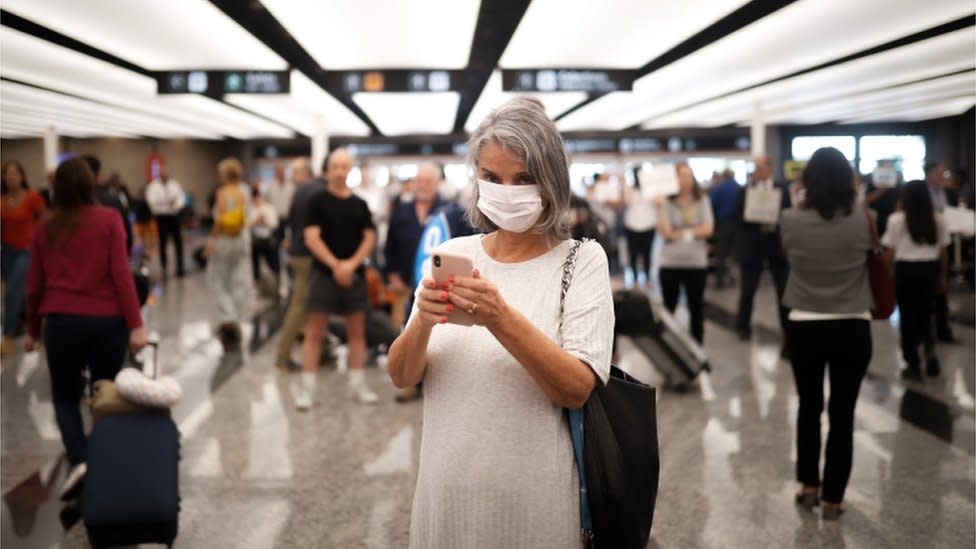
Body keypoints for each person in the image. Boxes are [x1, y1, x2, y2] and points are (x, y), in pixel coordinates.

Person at [387, 97, 614, 547]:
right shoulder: (457, 254)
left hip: (533, 507)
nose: (506, 190)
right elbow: (401, 375)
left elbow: (575, 388)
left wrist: (499, 318)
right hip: (444, 499)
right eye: (492, 177)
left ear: (551, 183)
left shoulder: (581, 261)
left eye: (524, 178)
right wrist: (423, 324)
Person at [24, 157, 147, 500]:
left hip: (61, 323)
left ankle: (80, 458)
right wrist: (136, 324)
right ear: (90, 185)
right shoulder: (109, 220)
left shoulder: (45, 226)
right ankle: (103, 459)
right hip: (107, 323)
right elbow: (122, 275)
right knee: (104, 393)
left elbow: (34, 285)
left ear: (55, 188)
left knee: (64, 396)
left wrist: (32, 330)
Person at [780, 147, 874, 521]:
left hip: (805, 322)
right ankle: (834, 498)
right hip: (853, 323)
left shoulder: (789, 219)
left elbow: (791, 259)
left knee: (809, 406)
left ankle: (808, 485)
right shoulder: (865, 219)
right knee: (843, 413)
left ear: (807, 182)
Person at [296, 147, 378, 409]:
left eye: (345, 166)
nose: (340, 171)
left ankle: (357, 384)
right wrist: (336, 266)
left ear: (350, 169)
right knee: (314, 333)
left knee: (357, 332)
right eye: (335, 166)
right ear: (327, 170)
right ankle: (307, 389)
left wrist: (351, 265)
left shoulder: (360, 204)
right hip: (323, 275)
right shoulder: (316, 201)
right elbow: (312, 237)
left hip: (354, 276)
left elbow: (369, 237)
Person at [882, 181, 950, 380]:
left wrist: (886, 274)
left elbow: (890, 252)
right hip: (929, 269)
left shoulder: (896, 220)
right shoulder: (938, 219)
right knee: (926, 314)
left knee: (908, 317)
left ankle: (912, 362)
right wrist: (943, 276)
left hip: (905, 271)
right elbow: (943, 251)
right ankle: (929, 349)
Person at [735, 155, 791, 351]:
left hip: (776, 247)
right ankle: (743, 327)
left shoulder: (782, 189)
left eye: (760, 167)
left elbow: (788, 214)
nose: (757, 171)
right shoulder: (745, 191)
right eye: (755, 167)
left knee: (783, 291)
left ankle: (788, 331)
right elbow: (737, 217)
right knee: (748, 289)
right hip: (753, 247)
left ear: (770, 168)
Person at [655, 163, 714, 343]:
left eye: (689, 176)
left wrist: (679, 233)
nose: (685, 180)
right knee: (668, 309)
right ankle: (670, 349)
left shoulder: (701, 200)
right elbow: (665, 232)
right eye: (681, 176)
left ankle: (698, 350)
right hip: (670, 263)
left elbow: (708, 229)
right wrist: (660, 208)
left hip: (696, 262)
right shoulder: (665, 201)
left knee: (696, 308)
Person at [274, 157, 317, 370]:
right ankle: (283, 354)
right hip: (306, 254)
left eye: (295, 171)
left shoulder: (298, 192)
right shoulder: (312, 191)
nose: (293, 176)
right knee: (300, 304)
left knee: (307, 303)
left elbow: (290, 222)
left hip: (297, 253)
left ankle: (317, 345)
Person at [204, 158, 252, 346]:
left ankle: (228, 318)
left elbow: (220, 219)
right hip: (240, 240)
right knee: (236, 280)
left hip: (225, 240)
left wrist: (211, 242)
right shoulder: (243, 192)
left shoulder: (223, 193)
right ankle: (235, 317)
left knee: (216, 279)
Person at [1, 160, 45, 356]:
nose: (11, 178)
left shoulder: (32, 197)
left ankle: (8, 334)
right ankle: (32, 329)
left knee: (12, 292)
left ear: (22, 176)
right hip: (7, 252)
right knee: (23, 294)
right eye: (7, 174)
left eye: (14, 173)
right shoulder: (2, 200)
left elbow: (45, 222)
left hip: (27, 252)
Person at [924, 161, 956, 342]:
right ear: (929, 174)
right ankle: (926, 330)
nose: (943, 177)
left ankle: (942, 328)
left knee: (943, 286)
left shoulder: (946, 193)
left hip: (944, 241)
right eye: (939, 173)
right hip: (928, 244)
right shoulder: (920, 192)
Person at [85, 155, 132, 255]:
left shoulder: (62, 208)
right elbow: (126, 237)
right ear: (98, 174)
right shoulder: (112, 203)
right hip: (105, 260)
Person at [147, 166, 187, 278]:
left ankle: (180, 267)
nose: (165, 176)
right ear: (159, 175)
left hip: (174, 216)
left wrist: (176, 204)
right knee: (163, 242)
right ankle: (164, 266)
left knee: (178, 241)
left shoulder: (174, 184)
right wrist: (166, 202)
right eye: (163, 175)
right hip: (162, 217)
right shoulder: (153, 186)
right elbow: (152, 202)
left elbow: (181, 198)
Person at [621, 167, 657, 288]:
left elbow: (657, 202)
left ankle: (647, 277)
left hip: (648, 225)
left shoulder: (651, 189)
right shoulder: (630, 190)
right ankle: (635, 279)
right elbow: (625, 201)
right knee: (633, 254)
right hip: (632, 225)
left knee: (647, 254)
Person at [709, 168, 739, 288]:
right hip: (737, 224)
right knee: (733, 253)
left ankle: (720, 279)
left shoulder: (720, 188)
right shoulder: (739, 187)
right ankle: (731, 277)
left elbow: (712, 204)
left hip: (723, 223)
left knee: (721, 253)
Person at [249, 186, 280, 285]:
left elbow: (274, 224)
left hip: (267, 239)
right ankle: (257, 281)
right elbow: (246, 225)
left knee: (273, 263)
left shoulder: (269, 208)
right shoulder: (249, 209)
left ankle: (277, 281)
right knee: (255, 264)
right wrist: (255, 221)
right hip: (254, 240)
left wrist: (264, 221)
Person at [265, 162, 294, 246]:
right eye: (278, 171)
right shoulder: (270, 186)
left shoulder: (291, 185)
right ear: (275, 172)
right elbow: (266, 202)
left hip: (288, 218)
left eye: (282, 170)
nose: (280, 173)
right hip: (275, 219)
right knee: (275, 243)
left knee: (289, 242)